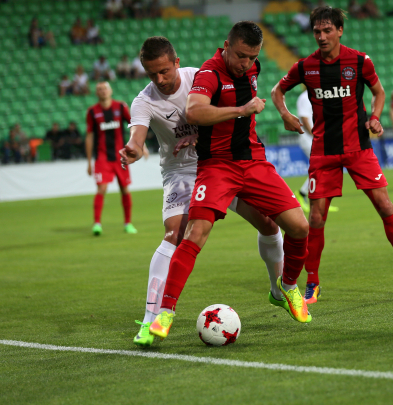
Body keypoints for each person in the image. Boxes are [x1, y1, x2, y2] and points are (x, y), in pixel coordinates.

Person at [120, 36, 294, 347]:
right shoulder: (143, 101)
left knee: (270, 224)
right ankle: (150, 319)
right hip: (182, 171)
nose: (159, 79)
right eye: (151, 74)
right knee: (176, 233)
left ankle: (277, 291)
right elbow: (137, 134)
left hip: (221, 160)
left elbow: (224, 117)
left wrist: (200, 136)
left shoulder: (199, 78)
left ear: (176, 62)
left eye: (164, 71)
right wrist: (132, 148)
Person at [272, 6, 393, 305]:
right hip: (323, 151)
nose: (321, 36)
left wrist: (375, 117)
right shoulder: (305, 67)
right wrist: (285, 115)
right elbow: (278, 91)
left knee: (384, 204)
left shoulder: (359, 61)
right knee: (315, 218)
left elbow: (379, 92)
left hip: (359, 148)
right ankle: (312, 283)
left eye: (327, 30)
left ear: (340, 30)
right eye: (317, 31)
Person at [85, 81, 136, 236]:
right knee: (101, 188)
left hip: (120, 157)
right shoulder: (92, 112)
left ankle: (128, 223)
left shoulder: (120, 107)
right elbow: (89, 136)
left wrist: (141, 145)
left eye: (105, 88)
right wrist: (88, 161)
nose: (103, 91)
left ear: (110, 90)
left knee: (124, 189)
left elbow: (134, 125)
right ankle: (97, 224)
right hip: (102, 158)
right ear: (96, 93)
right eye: (99, 89)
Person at [294, 87, 338, 213]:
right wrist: (316, 135)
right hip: (308, 138)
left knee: (324, 167)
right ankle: (303, 194)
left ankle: (319, 200)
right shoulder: (305, 97)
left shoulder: (317, 95)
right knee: (322, 166)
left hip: (316, 137)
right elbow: (305, 118)